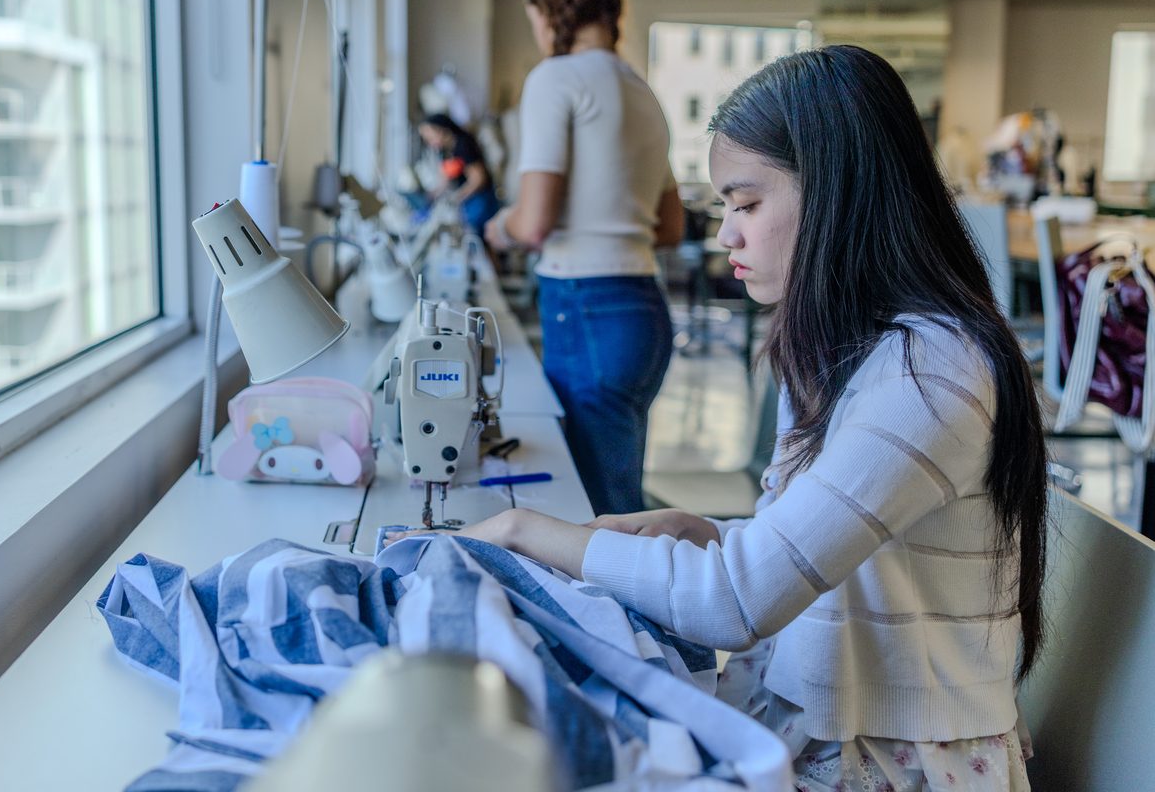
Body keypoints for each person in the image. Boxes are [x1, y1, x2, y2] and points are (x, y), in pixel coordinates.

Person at [396, 45, 1048, 791]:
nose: (724, 235)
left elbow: (736, 602)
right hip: (834, 729)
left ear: (837, 194)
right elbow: (835, 552)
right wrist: (710, 534)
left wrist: (521, 531)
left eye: (745, 204)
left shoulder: (929, 372)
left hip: (899, 763)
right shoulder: (850, 349)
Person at [484, 0, 685, 516]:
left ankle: (633, 608)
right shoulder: (642, 92)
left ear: (551, 10)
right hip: (643, 311)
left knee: (597, 515)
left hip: (586, 304)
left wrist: (501, 227)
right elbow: (668, 226)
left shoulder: (556, 78)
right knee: (620, 496)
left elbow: (535, 220)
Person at [417, 112, 503, 240]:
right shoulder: (444, 150)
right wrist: (431, 196)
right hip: (468, 199)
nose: (428, 142)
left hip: (481, 197)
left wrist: (457, 197)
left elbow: (479, 179)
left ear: (440, 129)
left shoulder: (463, 144)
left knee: (479, 236)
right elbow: (445, 179)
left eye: (429, 136)